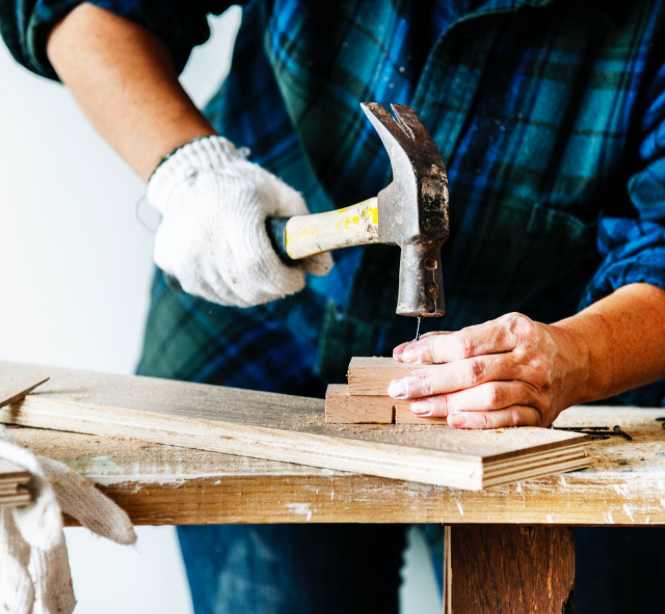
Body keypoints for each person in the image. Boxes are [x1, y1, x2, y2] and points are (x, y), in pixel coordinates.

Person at [3, 0, 665, 612]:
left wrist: (577, 354)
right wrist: (189, 170)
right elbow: (79, 8)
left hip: (547, 374)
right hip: (252, 338)